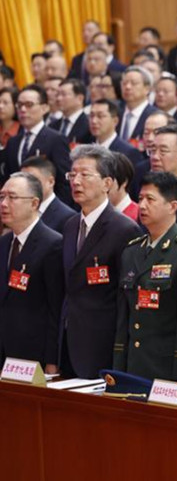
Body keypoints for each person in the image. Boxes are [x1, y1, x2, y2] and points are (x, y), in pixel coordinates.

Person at [61, 145, 143, 378]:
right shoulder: (69, 226)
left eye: (85, 175)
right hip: (68, 339)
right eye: (72, 175)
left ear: (107, 183)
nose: (76, 181)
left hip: (103, 343)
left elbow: (127, 297)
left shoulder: (125, 229)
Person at [113, 172, 177, 381]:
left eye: (150, 199)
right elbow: (124, 317)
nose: (142, 206)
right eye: (140, 199)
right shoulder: (131, 251)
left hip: (165, 367)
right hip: (133, 363)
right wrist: (118, 364)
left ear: (173, 206)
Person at [0, 172, 64, 371]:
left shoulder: (53, 244)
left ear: (34, 203)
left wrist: (52, 361)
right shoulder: (3, 243)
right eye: (1, 197)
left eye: (12, 197)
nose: (3, 203)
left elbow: (56, 309)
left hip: (33, 355)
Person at [5, 85, 72, 205]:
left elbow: (64, 183)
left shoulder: (56, 139)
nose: (23, 109)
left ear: (44, 108)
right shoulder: (13, 142)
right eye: (19, 105)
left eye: (29, 104)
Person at [20, 156, 75, 234]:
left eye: (32, 180)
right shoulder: (19, 210)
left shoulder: (68, 217)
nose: (26, 185)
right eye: (22, 180)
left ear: (51, 182)